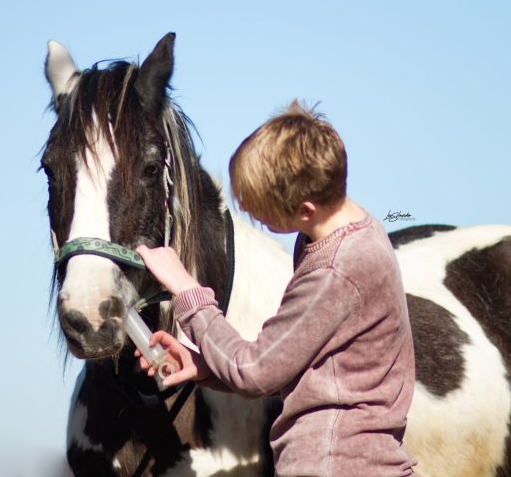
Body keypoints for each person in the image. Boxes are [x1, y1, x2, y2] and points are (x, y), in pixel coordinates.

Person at [135, 101, 418, 477]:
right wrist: (203, 366)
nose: (253, 216)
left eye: (259, 211)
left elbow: (254, 370)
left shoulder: (338, 268)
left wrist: (187, 288)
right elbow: (294, 366)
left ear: (303, 210)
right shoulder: (348, 236)